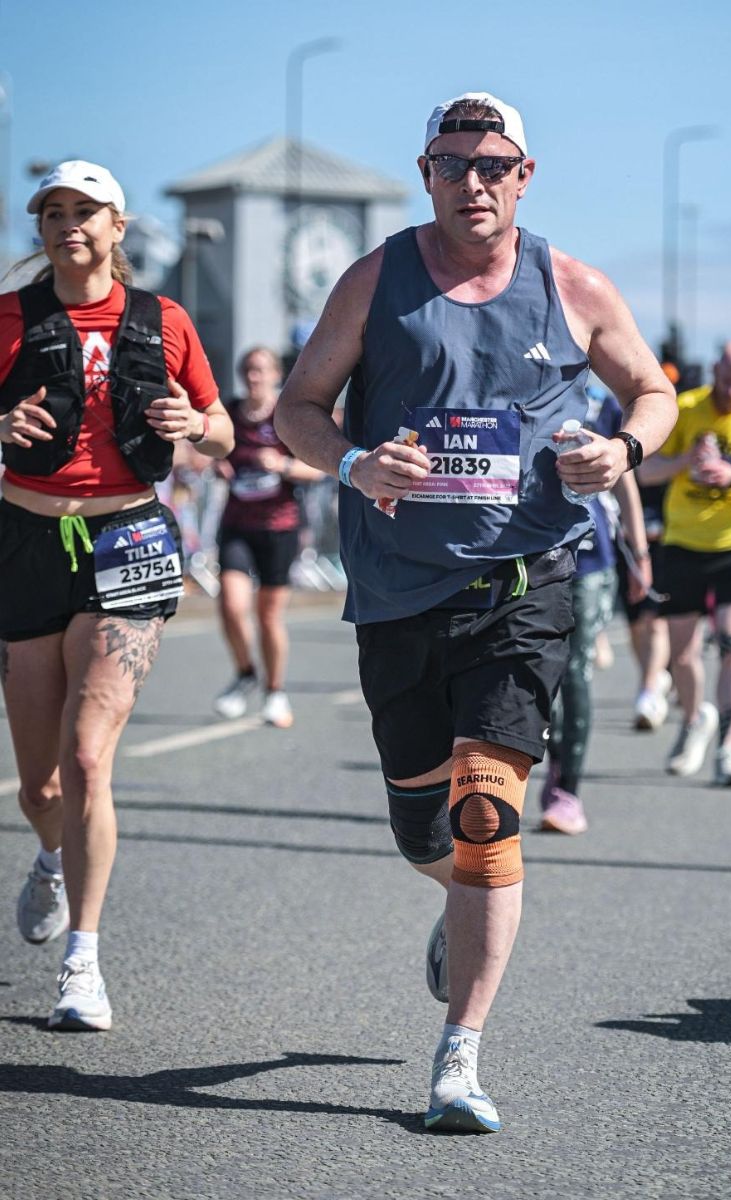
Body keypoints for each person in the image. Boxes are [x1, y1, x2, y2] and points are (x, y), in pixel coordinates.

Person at [275, 92, 677, 1134]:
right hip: (398, 591)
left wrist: (620, 450)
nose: (473, 181)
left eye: (493, 163)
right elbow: (296, 410)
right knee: (425, 827)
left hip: (522, 581)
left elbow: (653, 392)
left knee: (486, 815)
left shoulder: (571, 284)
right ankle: (450, 902)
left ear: (524, 175)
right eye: (452, 164)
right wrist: (357, 463)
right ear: (424, 173)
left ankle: (458, 1060)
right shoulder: (377, 279)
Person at [0, 161, 233, 1030]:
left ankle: (84, 963)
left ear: (119, 226)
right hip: (24, 538)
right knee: (39, 787)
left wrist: (191, 424)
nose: (69, 226)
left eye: (85, 212)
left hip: (128, 535)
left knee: (88, 759)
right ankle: (52, 855)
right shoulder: (10, 317)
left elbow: (221, 429)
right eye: (53, 213)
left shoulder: (163, 321)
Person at [638, 340, 731, 789]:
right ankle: (693, 719)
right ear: (713, 370)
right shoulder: (685, 407)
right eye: (725, 382)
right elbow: (645, 471)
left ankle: (727, 749)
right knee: (682, 654)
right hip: (684, 540)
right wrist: (686, 461)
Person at [540, 386, 651, 835]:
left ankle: (569, 789)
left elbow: (623, 475)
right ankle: (553, 758)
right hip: (533, 552)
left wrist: (640, 552)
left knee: (575, 668)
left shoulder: (602, 403)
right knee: (537, 673)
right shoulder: (528, 387)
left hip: (589, 559)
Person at [212, 345, 321, 727]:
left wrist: (283, 464)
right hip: (238, 523)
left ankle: (275, 691)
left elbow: (318, 468)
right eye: (249, 371)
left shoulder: (286, 414)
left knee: (268, 614)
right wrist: (218, 465)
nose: (254, 377)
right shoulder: (230, 411)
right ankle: (245, 674)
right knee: (230, 603)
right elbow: (213, 449)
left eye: (261, 370)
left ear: (276, 375)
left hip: (280, 525)